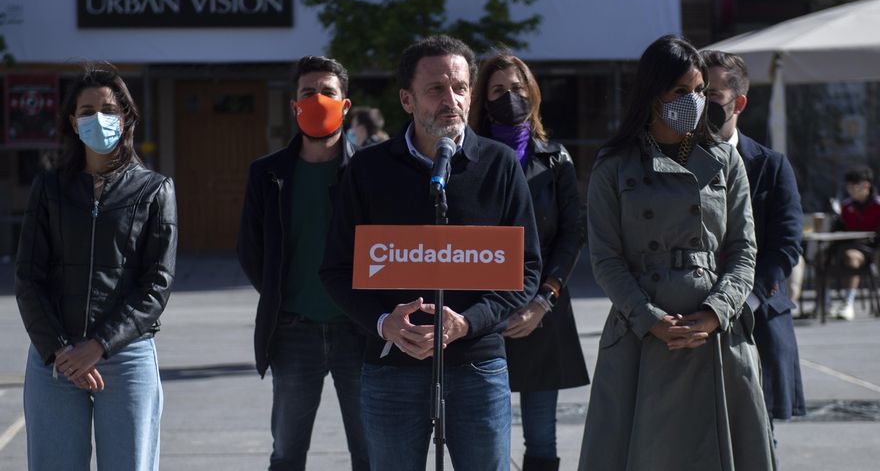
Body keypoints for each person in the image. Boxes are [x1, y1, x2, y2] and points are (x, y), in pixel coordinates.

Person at [320, 35, 542, 471]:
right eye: (435, 89)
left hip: (477, 367)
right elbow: (335, 268)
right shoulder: (367, 168)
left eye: (459, 88)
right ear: (407, 99)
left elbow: (526, 268)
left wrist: (467, 323)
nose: (451, 99)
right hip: (390, 370)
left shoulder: (498, 165)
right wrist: (385, 324)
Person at [578, 35, 775, 470]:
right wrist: (650, 320)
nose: (695, 100)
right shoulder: (614, 165)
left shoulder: (725, 160)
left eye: (700, 90)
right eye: (681, 92)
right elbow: (606, 259)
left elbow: (744, 251)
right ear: (652, 95)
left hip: (716, 334)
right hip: (641, 333)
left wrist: (716, 311)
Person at [16, 62, 177, 471]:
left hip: (124, 357)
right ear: (73, 121)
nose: (98, 119)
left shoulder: (154, 190)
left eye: (107, 110)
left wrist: (99, 345)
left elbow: (156, 285)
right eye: (87, 111)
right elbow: (28, 278)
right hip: (56, 357)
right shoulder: (49, 187)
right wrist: (60, 349)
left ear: (125, 119)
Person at [237, 56, 368, 470]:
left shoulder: (369, 169)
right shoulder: (268, 173)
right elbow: (250, 248)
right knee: (287, 454)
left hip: (359, 330)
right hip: (294, 333)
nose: (317, 100)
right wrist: (282, 294)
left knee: (371, 452)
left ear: (345, 105)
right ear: (294, 105)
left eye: (328, 92)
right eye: (307, 93)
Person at [469, 53, 588, 471]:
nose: (510, 97)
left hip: (542, 310)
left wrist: (543, 300)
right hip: (482, 316)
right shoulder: (468, 159)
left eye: (518, 88)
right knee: (485, 432)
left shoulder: (556, 159)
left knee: (541, 434)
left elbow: (573, 233)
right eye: (498, 90)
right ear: (482, 99)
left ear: (533, 93)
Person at [702, 49, 806, 425]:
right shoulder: (671, 164)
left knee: (760, 441)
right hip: (692, 319)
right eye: (695, 93)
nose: (700, 104)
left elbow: (787, 245)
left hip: (757, 317)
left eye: (711, 95)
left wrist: (751, 298)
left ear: (739, 102)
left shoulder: (771, 166)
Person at [826, 166, 880, 320]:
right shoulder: (846, 206)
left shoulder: (877, 205)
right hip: (844, 245)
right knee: (821, 258)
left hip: (869, 250)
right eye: (848, 186)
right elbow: (838, 230)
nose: (851, 190)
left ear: (866, 185)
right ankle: (825, 303)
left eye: (854, 186)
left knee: (851, 257)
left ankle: (847, 303)